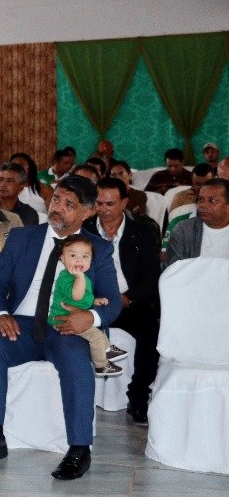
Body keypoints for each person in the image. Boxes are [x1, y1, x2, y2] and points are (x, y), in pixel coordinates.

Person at [0, 175, 122, 481]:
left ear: (88, 212)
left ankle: (80, 449)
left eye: (70, 204)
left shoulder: (99, 249)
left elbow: (114, 302)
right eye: (56, 199)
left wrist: (90, 317)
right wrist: (0, 313)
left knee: (76, 359)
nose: (58, 208)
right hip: (22, 325)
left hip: (67, 326)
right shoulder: (22, 238)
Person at [84, 177, 161, 424]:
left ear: (124, 202)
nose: (104, 209)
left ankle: (138, 396)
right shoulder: (85, 230)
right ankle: (80, 394)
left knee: (150, 333)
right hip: (92, 302)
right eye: (99, 203)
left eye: (110, 203)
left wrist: (127, 298)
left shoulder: (142, 232)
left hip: (131, 302)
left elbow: (151, 276)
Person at [49, 234, 126, 376]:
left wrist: (94, 301)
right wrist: (79, 278)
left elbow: (84, 297)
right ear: (62, 258)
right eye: (73, 256)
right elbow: (76, 296)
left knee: (100, 333)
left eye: (85, 256)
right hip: (62, 319)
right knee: (95, 336)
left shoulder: (83, 277)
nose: (79, 260)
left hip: (74, 315)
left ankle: (107, 351)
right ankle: (101, 365)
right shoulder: (65, 277)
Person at [166, 178, 229, 263]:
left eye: (212, 201)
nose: (203, 205)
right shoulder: (184, 230)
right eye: (200, 199)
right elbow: (173, 269)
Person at [0, 162, 40, 227]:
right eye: (0, 180)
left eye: (10, 181)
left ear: (21, 187)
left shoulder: (28, 213)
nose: (3, 185)